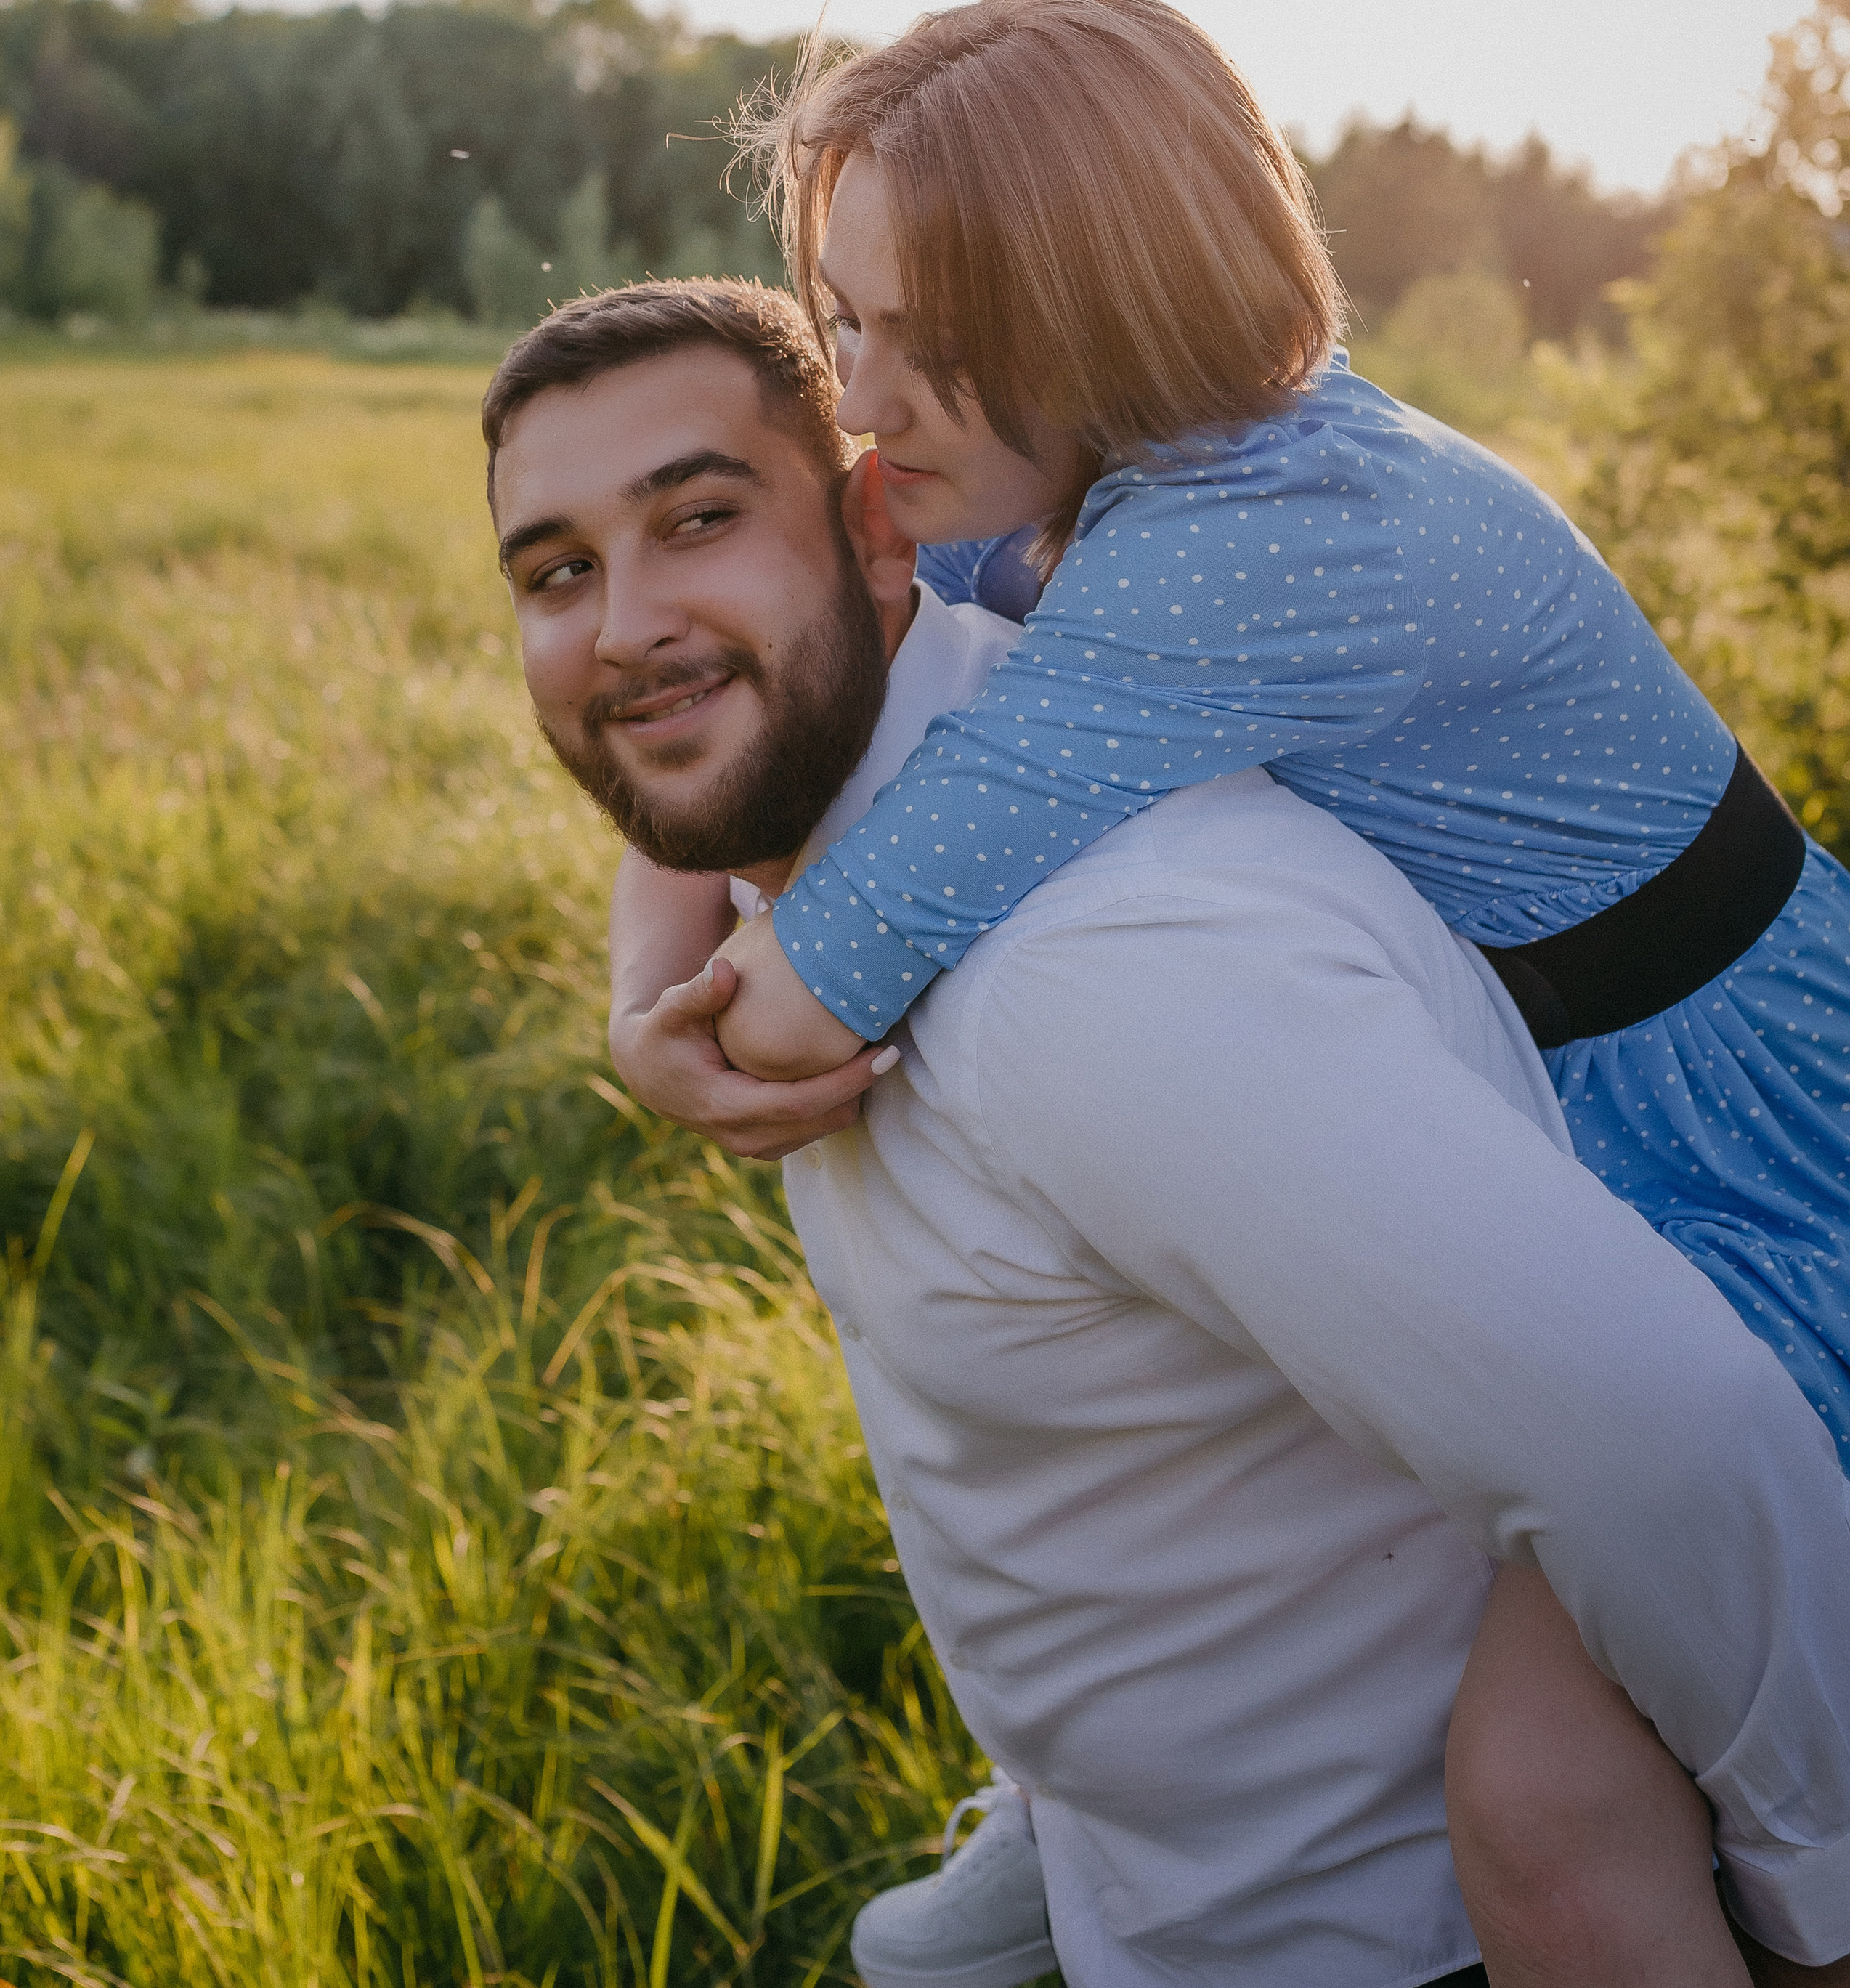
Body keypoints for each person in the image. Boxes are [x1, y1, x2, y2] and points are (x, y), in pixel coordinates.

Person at [485, 277, 1850, 1988]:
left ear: (869, 520)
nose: (623, 624)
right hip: (1166, 1863)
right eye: (556, 571)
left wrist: (1813, 1890)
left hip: (1376, 1929)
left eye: (697, 517)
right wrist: (636, 1011)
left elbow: (1676, 1440)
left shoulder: (1097, 972)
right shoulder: (873, 699)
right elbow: (695, 689)